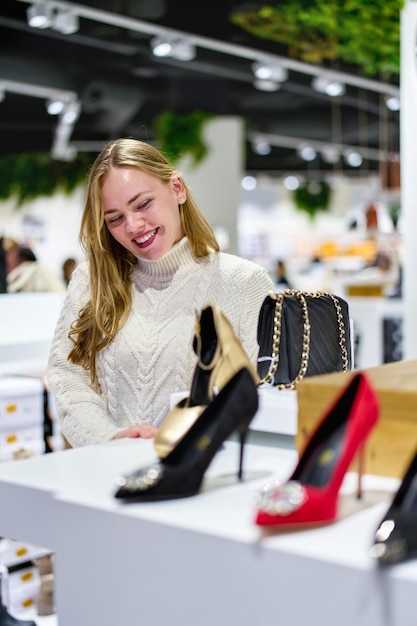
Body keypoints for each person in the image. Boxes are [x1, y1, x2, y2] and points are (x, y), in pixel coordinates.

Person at [47, 138, 273, 448]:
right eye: (115, 218)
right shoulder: (92, 279)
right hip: (104, 469)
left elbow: (251, 395)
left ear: (177, 188)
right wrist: (110, 439)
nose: (134, 225)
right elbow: (69, 378)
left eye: (142, 204)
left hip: (198, 472)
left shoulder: (243, 282)